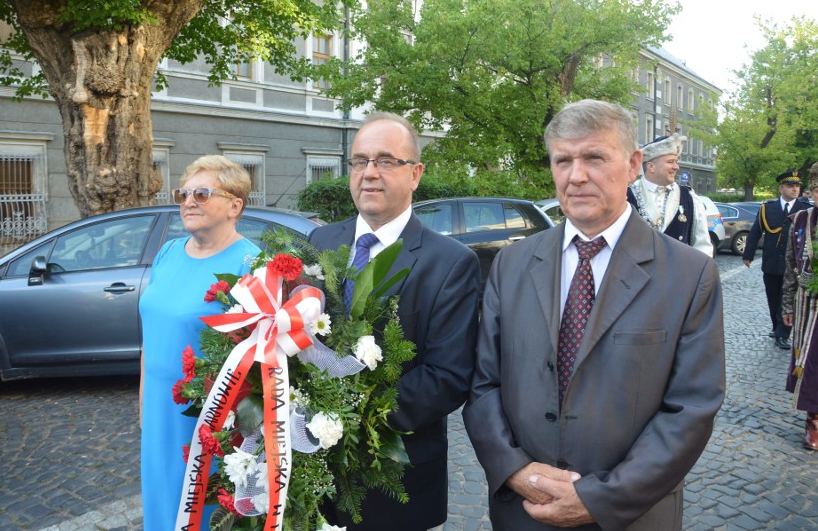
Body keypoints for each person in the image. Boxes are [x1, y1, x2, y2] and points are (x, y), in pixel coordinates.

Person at [463, 99, 725, 530]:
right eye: (563, 160)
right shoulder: (511, 265)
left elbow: (691, 409)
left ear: (633, 164)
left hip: (631, 516)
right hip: (522, 512)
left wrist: (598, 498)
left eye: (594, 157)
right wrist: (513, 469)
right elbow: (483, 382)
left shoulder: (690, 274)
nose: (577, 175)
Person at [309, 112, 481, 530]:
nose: (369, 173)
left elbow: (447, 377)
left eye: (386, 161)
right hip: (313, 475)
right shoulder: (320, 242)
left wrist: (342, 416)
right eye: (359, 161)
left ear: (416, 174)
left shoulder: (451, 263)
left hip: (396, 481)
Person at [138, 155, 260, 530]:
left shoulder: (250, 263)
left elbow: (258, 361)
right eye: (183, 193)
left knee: (200, 508)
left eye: (202, 193)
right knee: (160, 500)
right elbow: (149, 338)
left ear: (234, 205)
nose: (188, 201)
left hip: (208, 416)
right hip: (160, 408)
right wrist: (143, 405)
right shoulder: (168, 253)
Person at [743, 170, 810, 350]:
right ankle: (776, 325)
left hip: (794, 263)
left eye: (797, 186)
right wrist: (748, 254)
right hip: (772, 261)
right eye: (790, 186)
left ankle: (783, 333)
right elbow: (756, 231)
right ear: (781, 188)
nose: (795, 189)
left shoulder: (805, 209)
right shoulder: (767, 208)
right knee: (773, 298)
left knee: (787, 299)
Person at [626, 134, 714, 257]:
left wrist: (698, 275)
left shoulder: (689, 197)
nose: (676, 167)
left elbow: (702, 245)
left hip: (679, 274)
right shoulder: (625, 197)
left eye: (676, 161)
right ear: (651, 166)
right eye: (670, 162)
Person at [781, 161, 818, 450]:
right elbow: (790, 267)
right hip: (809, 304)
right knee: (812, 361)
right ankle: (813, 420)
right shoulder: (801, 220)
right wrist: (787, 307)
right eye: (817, 189)